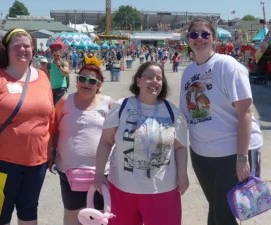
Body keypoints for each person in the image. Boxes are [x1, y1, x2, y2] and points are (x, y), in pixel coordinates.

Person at [179, 18, 263, 225]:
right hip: (202, 153)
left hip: (232, 152)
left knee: (224, 214)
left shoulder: (227, 65)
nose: (200, 39)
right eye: (194, 35)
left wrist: (242, 158)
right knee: (215, 208)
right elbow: (185, 118)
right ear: (188, 40)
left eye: (205, 34)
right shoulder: (188, 73)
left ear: (214, 39)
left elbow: (245, 112)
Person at [0, 28, 56, 225]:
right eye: (17, 46)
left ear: (33, 49)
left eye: (27, 46)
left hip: (36, 162)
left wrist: (51, 149)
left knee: (29, 209)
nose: (23, 50)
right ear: (6, 49)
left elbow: (49, 118)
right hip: (1, 161)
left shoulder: (42, 77)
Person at [93, 61, 189, 225]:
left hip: (162, 190)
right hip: (123, 189)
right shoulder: (121, 107)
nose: (155, 82)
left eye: (159, 78)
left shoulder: (173, 112)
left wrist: (182, 175)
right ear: (138, 81)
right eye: (149, 77)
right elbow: (105, 142)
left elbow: (180, 147)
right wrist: (99, 173)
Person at [49, 54, 114, 225]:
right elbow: (53, 129)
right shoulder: (65, 101)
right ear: (77, 80)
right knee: (72, 214)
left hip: (101, 172)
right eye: (82, 79)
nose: (86, 83)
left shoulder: (109, 104)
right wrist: (50, 153)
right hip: (68, 170)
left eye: (92, 81)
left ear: (99, 84)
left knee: (98, 217)